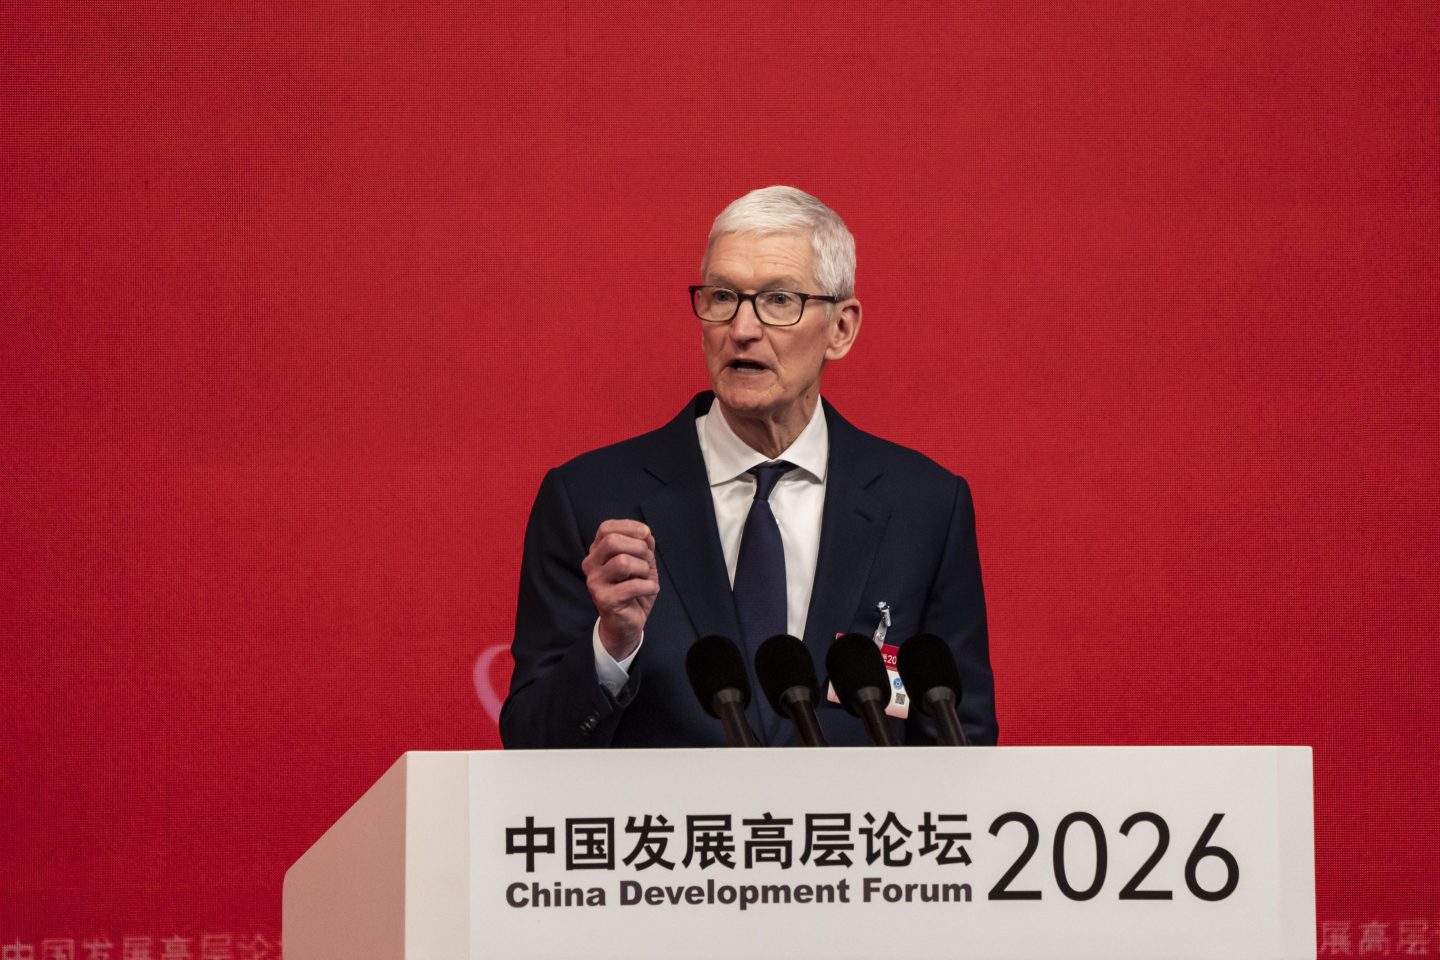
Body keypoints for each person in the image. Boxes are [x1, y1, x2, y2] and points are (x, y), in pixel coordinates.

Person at [500, 186, 996, 748]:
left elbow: (962, 742)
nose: (742, 329)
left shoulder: (924, 506)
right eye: (722, 297)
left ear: (841, 328)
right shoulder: (590, 500)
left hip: (846, 835)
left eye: (779, 300)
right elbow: (530, 746)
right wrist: (611, 648)